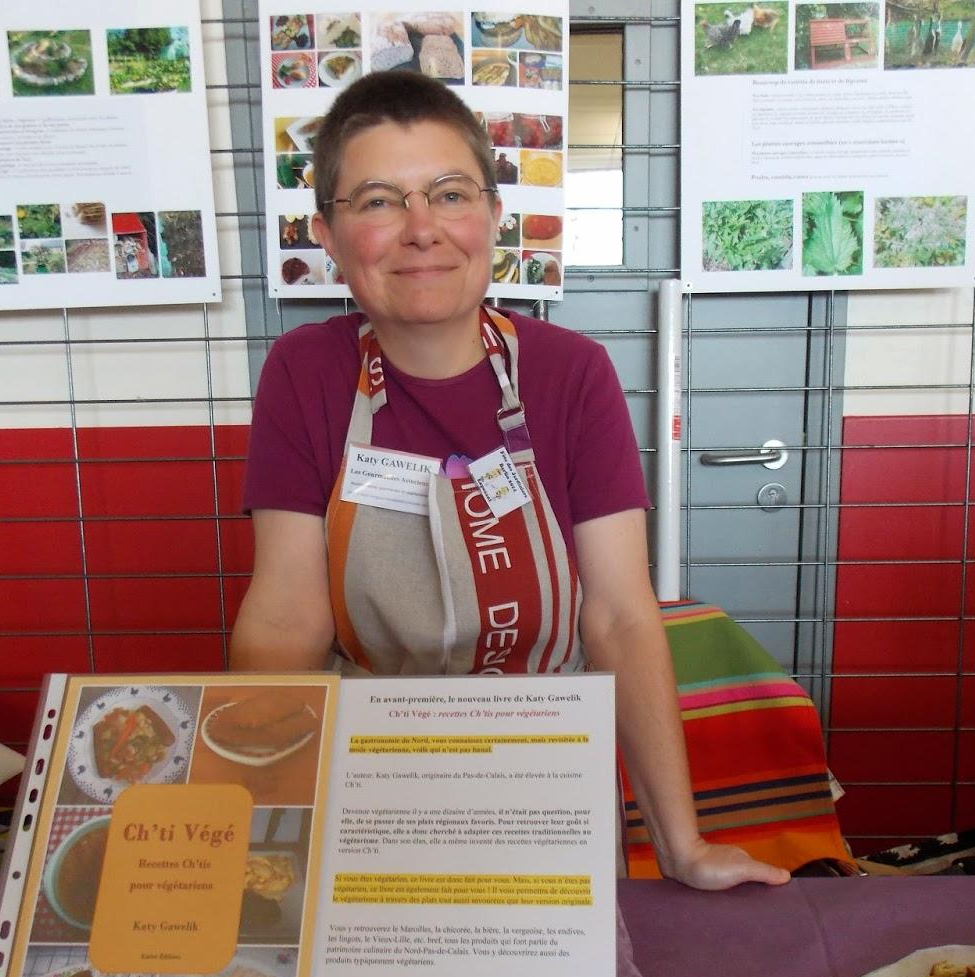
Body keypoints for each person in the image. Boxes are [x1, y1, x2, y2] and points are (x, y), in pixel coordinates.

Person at [231, 71, 785, 891]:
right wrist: (261, 838)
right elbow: (285, 618)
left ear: (493, 215)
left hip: (547, 776)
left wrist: (680, 845)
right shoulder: (304, 373)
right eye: (379, 202)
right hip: (373, 772)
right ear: (329, 232)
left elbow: (620, 615)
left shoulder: (572, 374)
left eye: (449, 194)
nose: (422, 231)